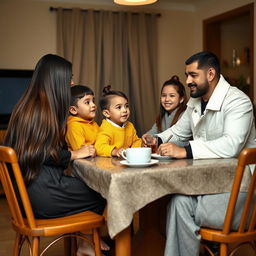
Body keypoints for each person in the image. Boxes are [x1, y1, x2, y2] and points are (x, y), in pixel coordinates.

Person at [142, 51, 256, 256]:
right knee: (177, 201)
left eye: (193, 75)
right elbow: (179, 131)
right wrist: (157, 139)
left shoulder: (239, 102)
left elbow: (232, 145)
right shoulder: (196, 102)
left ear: (210, 74)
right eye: (187, 75)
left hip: (243, 194)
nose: (187, 81)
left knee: (180, 206)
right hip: (213, 185)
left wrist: (185, 151)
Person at [3, 54, 108, 256]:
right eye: (69, 78)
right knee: (102, 189)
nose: (72, 83)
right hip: (42, 196)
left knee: (90, 185)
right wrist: (73, 154)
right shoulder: (41, 111)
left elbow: (37, 149)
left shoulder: (28, 105)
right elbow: (41, 152)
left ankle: (83, 243)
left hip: (27, 196)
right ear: (57, 80)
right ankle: (85, 243)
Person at [95, 85, 142, 157]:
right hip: (110, 164)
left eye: (126, 106)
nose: (125, 110)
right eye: (119, 107)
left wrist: (133, 151)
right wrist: (114, 151)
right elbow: (99, 147)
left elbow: (136, 141)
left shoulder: (129, 125)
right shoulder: (106, 128)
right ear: (107, 113)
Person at [65, 85, 99, 159]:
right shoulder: (74, 126)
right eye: (87, 102)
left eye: (93, 101)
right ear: (73, 110)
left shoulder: (94, 124)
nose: (93, 105)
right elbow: (82, 151)